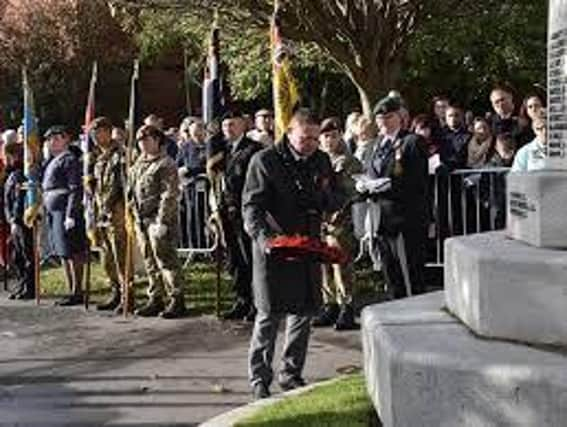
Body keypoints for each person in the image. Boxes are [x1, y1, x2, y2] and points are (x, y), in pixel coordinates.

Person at [242, 108, 344, 399]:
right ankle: (260, 378)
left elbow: (332, 194)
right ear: (289, 132)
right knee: (269, 315)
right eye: (305, 137)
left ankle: (291, 373)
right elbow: (252, 207)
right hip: (274, 249)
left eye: (315, 138)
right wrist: (264, 239)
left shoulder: (321, 161)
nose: (311, 143)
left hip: (307, 246)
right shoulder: (265, 161)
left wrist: (332, 201)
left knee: (302, 313)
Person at [367, 96, 428, 299]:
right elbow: (371, 172)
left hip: (407, 214)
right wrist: (365, 185)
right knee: (390, 268)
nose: (383, 121)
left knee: (412, 266)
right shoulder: (375, 145)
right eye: (379, 118)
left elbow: (417, 180)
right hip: (382, 215)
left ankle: (419, 305)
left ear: (399, 117)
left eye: (388, 116)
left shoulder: (412, 142)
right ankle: (396, 303)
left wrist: (388, 185)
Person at [128, 125, 186, 318]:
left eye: (147, 139)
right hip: (141, 219)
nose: (143, 143)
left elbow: (169, 194)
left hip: (158, 220)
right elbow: (132, 190)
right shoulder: (138, 164)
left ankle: (176, 298)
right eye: (140, 140)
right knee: (149, 261)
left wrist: (162, 221)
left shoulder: (165, 163)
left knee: (166, 260)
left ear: (157, 140)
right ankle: (156, 297)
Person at [213, 110, 263, 321]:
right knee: (234, 259)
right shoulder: (223, 150)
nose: (228, 129)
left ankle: (256, 301)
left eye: (232, 125)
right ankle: (241, 299)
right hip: (227, 211)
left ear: (243, 126)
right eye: (225, 126)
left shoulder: (252, 150)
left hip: (245, 211)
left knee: (249, 258)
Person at [313, 117, 362, 330]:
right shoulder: (317, 161)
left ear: (340, 135)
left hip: (341, 220)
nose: (329, 140)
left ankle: (347, 307)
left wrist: (337, 213)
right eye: (325, 136)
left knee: (341, 264)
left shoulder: (349, 161)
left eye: (333, 135)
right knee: (323, 264)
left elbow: (352, 191)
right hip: (320, 221)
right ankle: (329, 304)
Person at [42, 126, 87, 306]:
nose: (52, 142)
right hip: (54, 210)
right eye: (50, 139)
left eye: (56, 138)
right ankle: (70, 289)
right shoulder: (53, 160)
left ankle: (77, 291)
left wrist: (70, 213)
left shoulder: (68, 159)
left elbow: (74, 188)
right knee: (63, 252)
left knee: (73, 251)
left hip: (65, 209)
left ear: (65, 140)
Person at [89, 117, 129, 313]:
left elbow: (121, 185)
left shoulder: (119, 154)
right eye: (93, 133)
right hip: (101, 213)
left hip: (116, 213)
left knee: (120, 254)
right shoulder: (97, 157)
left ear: (108, 131)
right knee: (107, 256)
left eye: (99, 132)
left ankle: (127, 295)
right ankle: (115, 291)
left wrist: (109, 205)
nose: (95, 136)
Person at [3, 141, 35, 300]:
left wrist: (15, 220)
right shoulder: (12, 173)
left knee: (26, 254)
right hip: (14, 220)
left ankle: (30, 287)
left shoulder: (19, 174)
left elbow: (18, 199)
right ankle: (23, 284)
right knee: (17, 256)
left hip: (21, 220)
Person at [441, 105, 471, 170]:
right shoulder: (439, 135)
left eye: (456, 115)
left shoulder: (469, 136)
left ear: (461, 117)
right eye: (450, 116)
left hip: (463, 173)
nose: (453, 118)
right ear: (445, 118)